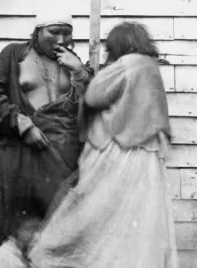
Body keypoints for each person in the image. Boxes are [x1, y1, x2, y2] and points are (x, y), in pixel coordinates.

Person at [26, 21, 179, 268]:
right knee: (138, 216)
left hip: (119, 151)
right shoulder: (151, 67)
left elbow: (95, 96)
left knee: (95, 209)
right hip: (147, 154)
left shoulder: (127, 65)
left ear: (119, 45)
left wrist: (91, 73)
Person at [0, 9, 92, 268]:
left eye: (67, 33)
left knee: (55, 227)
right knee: (11, 226)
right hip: (16, 156)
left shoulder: (73, 61)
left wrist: (80, 73)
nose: (62, 40)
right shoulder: (12, 55)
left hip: (59, 159)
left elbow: (86, 110)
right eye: (54, 32)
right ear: (38, 31)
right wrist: (22, 125)